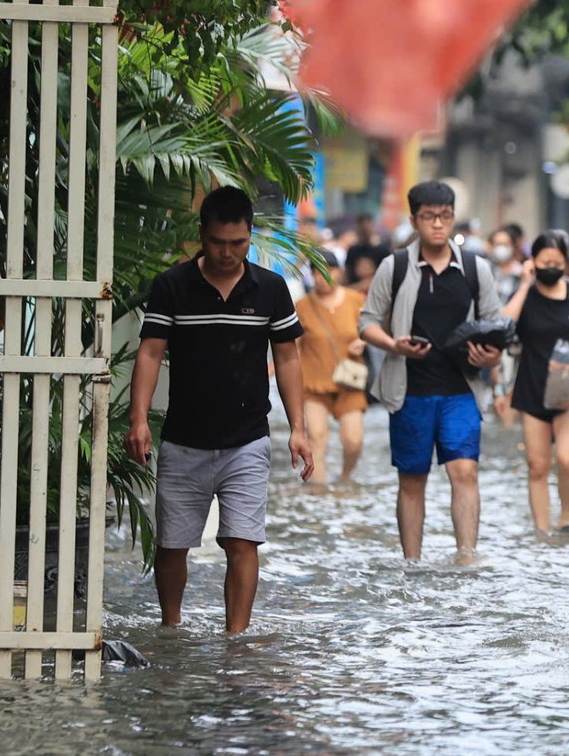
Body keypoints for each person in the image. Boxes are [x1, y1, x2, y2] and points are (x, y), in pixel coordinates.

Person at [126, 186, 313, 633]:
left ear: (250, 236)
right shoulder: (172, 286)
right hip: (182, 437)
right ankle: (170, 628)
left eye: (238, 243)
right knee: (172, 545)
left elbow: (287, 358)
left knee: (241, 542)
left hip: (247, 438)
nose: (227, 253)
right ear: (201, 236)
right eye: (217, 242)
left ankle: (237, 639)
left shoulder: (270, 289)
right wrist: (138, 420)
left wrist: (299, 429)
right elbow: (150, 353)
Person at [358, 182, 506, 562]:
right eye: (428, 217)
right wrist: (394, 345)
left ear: (453, 217)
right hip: (410, 391)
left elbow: (495, 325)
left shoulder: (475, 268)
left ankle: (467, 558)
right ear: (414, 219)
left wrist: (491, 360)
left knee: (465, 472)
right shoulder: (396, 267)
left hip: (462, 389)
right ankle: (412, 562)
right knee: (412, 479)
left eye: (445, 216)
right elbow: (367, 323)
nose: (437, 224)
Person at [501, 229, 569, 534]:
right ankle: (542, 533)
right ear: (532, 261)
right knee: (537, 465)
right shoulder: (525, 295)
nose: (552, 266)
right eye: (544, 260)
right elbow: (504, 326)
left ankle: (566, 516)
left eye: (557, 261)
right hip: (532, 387)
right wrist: (523, 284)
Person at [294, 253, 369, 484]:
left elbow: (373, 328)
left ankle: (344, 478)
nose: (321, 277)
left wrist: (363, 341)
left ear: (339, 272)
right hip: (313, 384)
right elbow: (289, 349)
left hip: (349, 383)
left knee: (353, 441)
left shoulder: (356, 300)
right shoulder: (302, 306)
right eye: (316, 272)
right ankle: (318, 495)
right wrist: (267, 373)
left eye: (327, 271)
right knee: (316, 438)